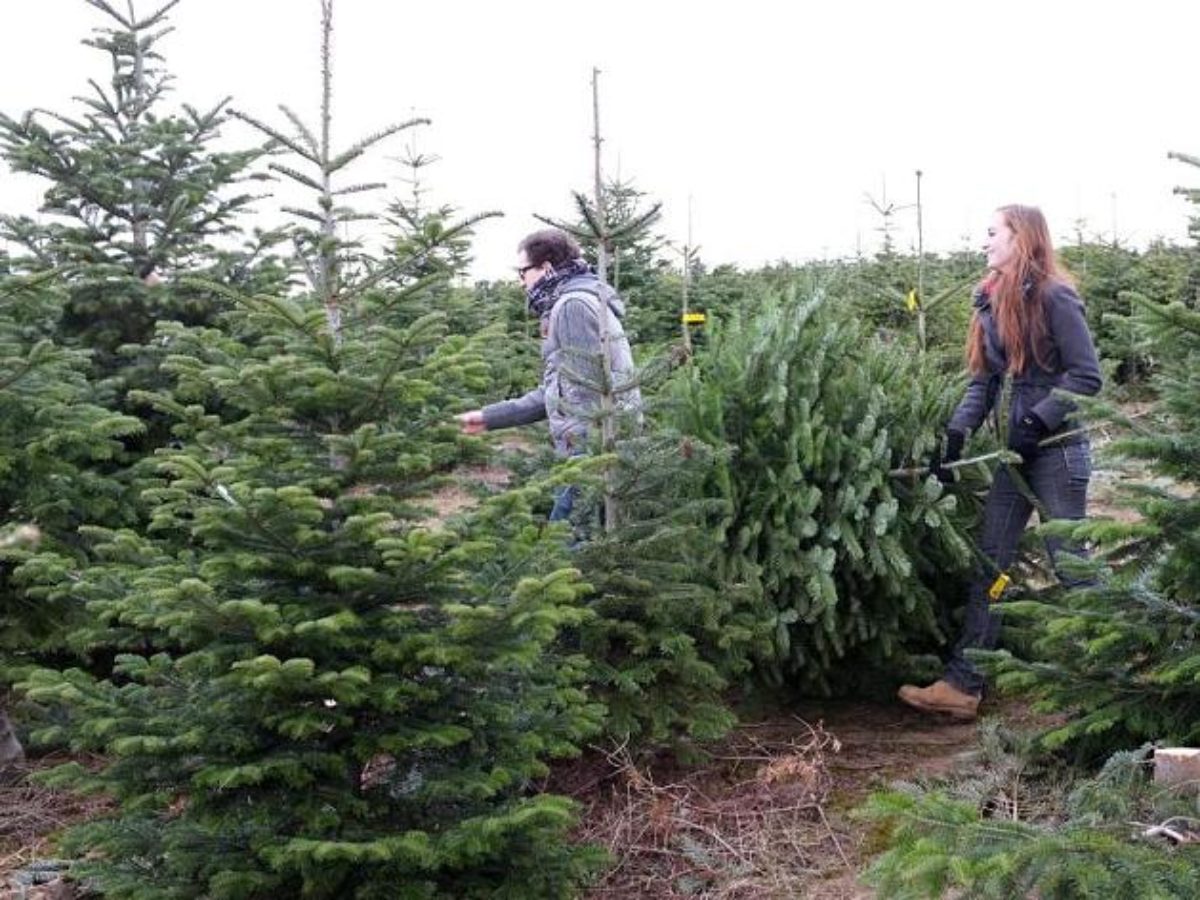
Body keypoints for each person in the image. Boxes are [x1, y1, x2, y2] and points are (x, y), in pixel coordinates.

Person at [899, 204, 1103, 721]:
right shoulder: (991, 301)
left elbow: (1085, 376)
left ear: (1021, 238)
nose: (984, 241)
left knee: (1070, 564)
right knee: (992, 563)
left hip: (1057, 452)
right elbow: (984, 382)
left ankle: (1118, 673)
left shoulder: (1056, 297)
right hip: (1015, 458)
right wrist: (955, 435)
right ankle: (963, 686)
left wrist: (1038, 419)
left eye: (993, 233)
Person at [456, 228, 642, 522]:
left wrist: (582, 463)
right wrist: (491, 417)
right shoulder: (580, 297)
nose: (521, 282)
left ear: (546, 267)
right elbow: (559, 390)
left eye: (523, 272)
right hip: (597, 453)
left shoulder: (571, 306)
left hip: (590, 458)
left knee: (565, 550)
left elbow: (587, 396)